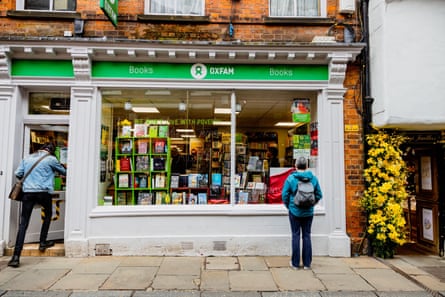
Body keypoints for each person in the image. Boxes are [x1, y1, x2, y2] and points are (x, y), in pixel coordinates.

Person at [8, 142, 67, 268]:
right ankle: (42, 242)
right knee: (48, 215)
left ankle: (16, 256)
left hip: (28, 193)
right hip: (44, 193)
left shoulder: (28, 158)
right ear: (51, 151)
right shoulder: (51, 159)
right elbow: (64, 172)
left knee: (23, 223)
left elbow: (18, 173)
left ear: (41, 149)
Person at [281, 156, 322, 270]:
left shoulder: (291, 179)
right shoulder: (313, 179)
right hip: (308, 212)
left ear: (296, 166)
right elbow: (319, 194)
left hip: (294, 211)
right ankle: (307, 264)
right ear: (307, 166)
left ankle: (295, 264)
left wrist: (289, 206)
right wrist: (312, 204)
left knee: (295, 235)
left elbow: (284, 195)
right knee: (307, 236)